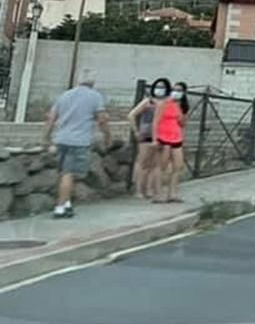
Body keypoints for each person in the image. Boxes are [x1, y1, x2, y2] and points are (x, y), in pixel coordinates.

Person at [43, 73, 111, 219]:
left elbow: (51, 117)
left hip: (61, 139)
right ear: (93, 83)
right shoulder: (95, 96)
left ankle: (67, 203)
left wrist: (46, 137)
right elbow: (102, 120)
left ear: (77, 81)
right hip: (79, 141)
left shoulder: (65, 95)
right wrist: (108, 137)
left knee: (64, 173)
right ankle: (60, 208)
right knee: (69, 174)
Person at [127, 78, 170, 200]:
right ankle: (139, 190)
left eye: (162, 87)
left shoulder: (167, 103)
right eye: (157, 86)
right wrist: (136, 131)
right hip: (146, 134)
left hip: (161, 134)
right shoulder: (148, 102)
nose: (159, 89)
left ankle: (150, 190)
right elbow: (131, 115)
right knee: (143, 163)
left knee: (155, 164)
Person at [153, 80, 189, 203]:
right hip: (163, 137)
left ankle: (172, 193)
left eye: (179, 91)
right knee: (161, 166)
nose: (176, 93)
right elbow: (156, 121)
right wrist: (155, 139)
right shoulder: (164, 103)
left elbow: (183, 124)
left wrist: (182, 117)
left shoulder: (182, 106)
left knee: (177, 166)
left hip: (177, 137)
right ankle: (158, 194)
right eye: (174, 90)